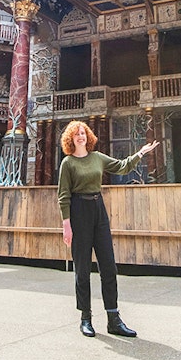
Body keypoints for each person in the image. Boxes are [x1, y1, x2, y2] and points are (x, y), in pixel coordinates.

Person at [58, 120, 158, 338]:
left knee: (108, 266)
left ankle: (113, 318)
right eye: (76, 134)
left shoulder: (97, 157)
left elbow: (122, 166)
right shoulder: (68, 163)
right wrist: (67, 224)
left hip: (98, 210)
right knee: (82, 269)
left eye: (83, 133)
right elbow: (63, 195)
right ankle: (85, 317)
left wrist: (140, 153)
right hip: (78, 211)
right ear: (70, 139)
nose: (80, 137)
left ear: (89, 136)